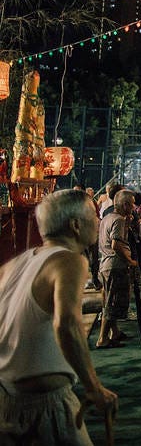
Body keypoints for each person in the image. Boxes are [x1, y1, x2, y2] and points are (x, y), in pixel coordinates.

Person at [0, 189, 117, 444]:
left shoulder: (15, 265)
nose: (98, 222)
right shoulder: (69, 260)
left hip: (8, 400)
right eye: (94, 216)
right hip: (45, 406)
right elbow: (67, 324)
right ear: (76, 225)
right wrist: (93, 387)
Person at [96, 189, 138, 349]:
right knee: (112, 302)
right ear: (126, 204)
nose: (134, 207)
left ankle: (114, 332)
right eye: (132, 204)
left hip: (105, 264)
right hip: (115, 265)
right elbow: (116, 244)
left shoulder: (108, 217)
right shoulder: (119, 220)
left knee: (109, 299)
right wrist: (129, 261)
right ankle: (102, 338)